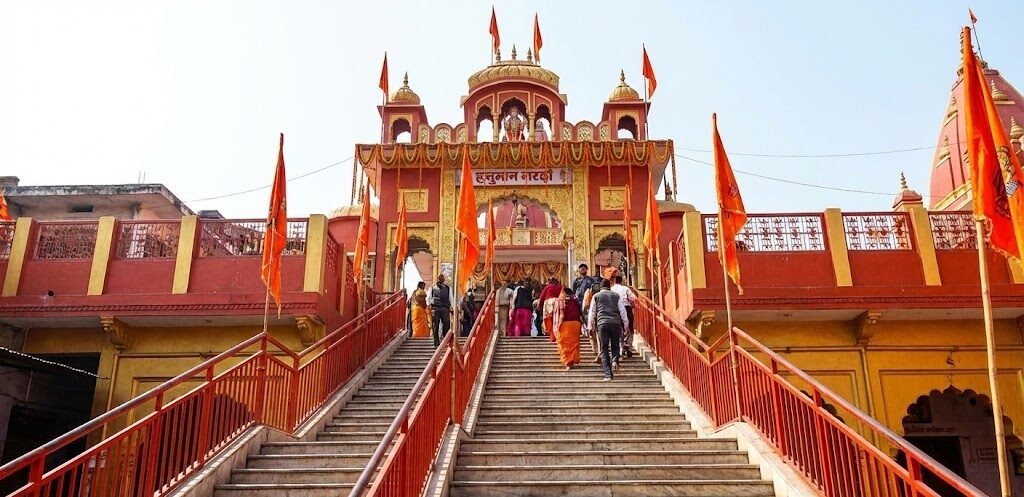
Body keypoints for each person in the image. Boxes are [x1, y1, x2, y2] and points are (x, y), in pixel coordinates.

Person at [587, 278, 629, 381]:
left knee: (604, 349)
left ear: (600, 287)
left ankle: (608, 375)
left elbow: (592, 312)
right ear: (609, 286)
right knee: (615, 345)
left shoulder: (596, 296)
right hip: (615, 323)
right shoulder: (616, 296)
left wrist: (590, 327)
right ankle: (615, 359)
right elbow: (622, 311)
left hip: (602, 324)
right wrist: (626, 325)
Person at [553, 287, 583, 370]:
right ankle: (572, 360)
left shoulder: (559, 300)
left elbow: (556, 314)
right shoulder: (575, 300)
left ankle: (568, 362)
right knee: (574, 343)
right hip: (575, 324)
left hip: (564, 324)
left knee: (564, 344)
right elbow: (580, 311)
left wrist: (555, 327)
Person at [611, 274, 638, 358]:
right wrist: (632, 304)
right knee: (629, 327)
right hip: (626, 308)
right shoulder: (626, 288)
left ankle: (621, 348)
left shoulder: (611, 289)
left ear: (614, 281)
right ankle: (629, 347)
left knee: (618, 329)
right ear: (621, 281)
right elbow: (633, 298)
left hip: (615, 309)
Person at [428, 274, 452, 347]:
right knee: (435, 326)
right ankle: (436, 342)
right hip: (435, 308)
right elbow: (429, 298)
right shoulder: (432, 288)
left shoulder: (448, 288)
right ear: (438, 279)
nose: (440, 279)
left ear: (443, 279)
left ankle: (445, 341)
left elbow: (451, 298)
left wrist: (452, 308)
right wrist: (430, 306)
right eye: (439, 278)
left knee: (446, 325)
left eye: (442, 278)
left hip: (445, 308)